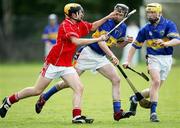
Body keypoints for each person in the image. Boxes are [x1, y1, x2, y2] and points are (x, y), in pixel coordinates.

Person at [0, 3, 118, 124]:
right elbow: (76, 41)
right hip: (53, 63)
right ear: (73, 14)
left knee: (79, 88)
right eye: (80, 12)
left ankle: (76, 117)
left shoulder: (79, 23)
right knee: (37, 90)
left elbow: (93, 26)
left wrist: (108, 17)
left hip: (66, 65)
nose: (82, 14)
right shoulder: (66, 25)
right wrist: (98, 39)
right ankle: (9, 101)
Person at [35, 3, 134, 121]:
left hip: (101, 58)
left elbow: (117, 44)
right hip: (87, 54)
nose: (117, 15)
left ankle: (117, 112)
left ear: (125, 16)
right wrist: (112, 56)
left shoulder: (123, 27)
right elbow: (101, 42)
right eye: (116, 13)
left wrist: (126, 42)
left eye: (120, 14)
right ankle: (45, 96)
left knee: (116, 79)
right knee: (67, 83)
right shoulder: (107, 23)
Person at [123, 3, 180, 122]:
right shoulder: (145, 29)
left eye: (153, 12)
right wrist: (127, 60)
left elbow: (176, 40)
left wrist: (166, 43)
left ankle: (134, 98)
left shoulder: (169, 24)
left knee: (155, 88)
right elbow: (134, 46)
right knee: (156, 81)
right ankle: (153, 113)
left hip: (167, 59)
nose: (150, 14)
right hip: (153, 57)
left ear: (160, 13)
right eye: (149, 12)